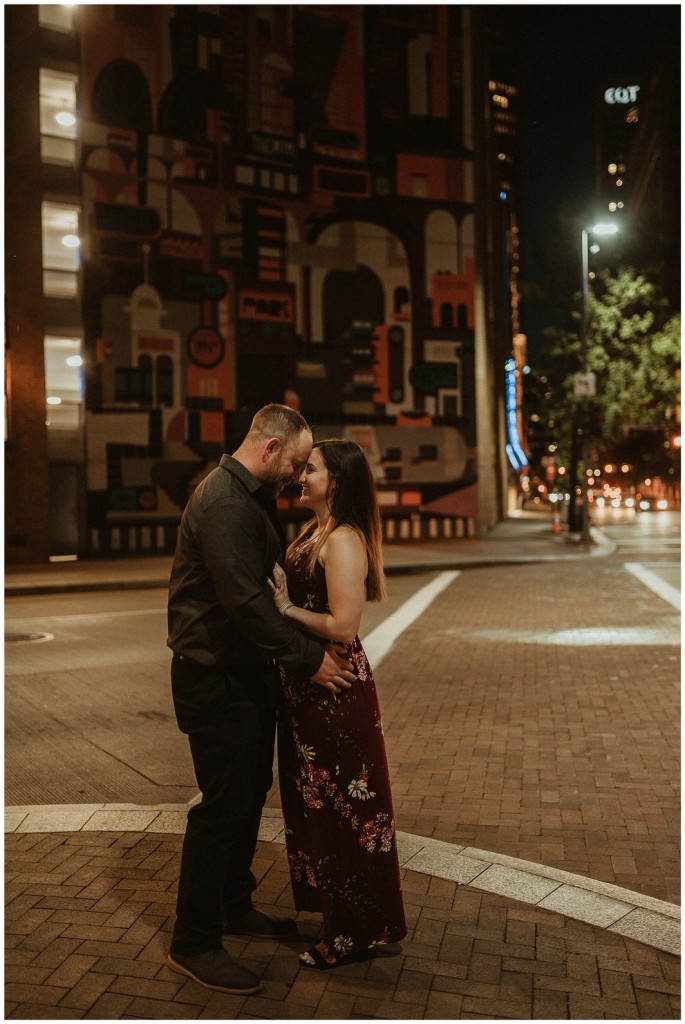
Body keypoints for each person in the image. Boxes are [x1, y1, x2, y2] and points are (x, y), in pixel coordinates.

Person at [166, 405, 357, 995]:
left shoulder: (245, 497)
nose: (297, 476)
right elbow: (245, 604)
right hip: (215, 678)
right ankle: (195, 940)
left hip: (241, 678)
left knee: (249, 794)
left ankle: (232, 903)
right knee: (223, 804)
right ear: (271, 448)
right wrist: (307, 659)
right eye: (297, 463)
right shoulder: (224, 501)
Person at [268, 439, 407, 970]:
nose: (301, 477)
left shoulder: (343, 539)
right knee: (320, 811)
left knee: (345, 815)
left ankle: (351, 934)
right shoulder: (317, 531)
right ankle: (356, 920)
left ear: (338, 482)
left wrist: (283, 608)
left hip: (335, 693)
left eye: (312, 470)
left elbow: (344, 626)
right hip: (311, 690)